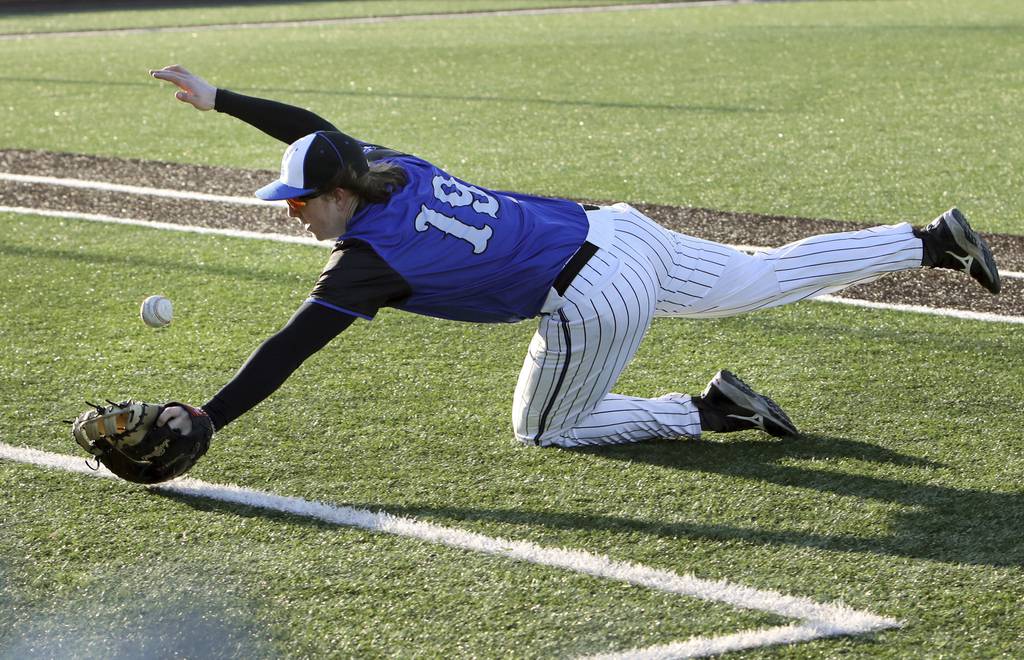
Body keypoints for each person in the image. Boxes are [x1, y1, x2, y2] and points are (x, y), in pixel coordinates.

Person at [150, 65, 1000, 451]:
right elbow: (307, 127)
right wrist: (219, 99)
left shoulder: (366, 262)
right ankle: (929, 241)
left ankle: (710, 413)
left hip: (591, 296)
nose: (292, 212)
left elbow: (286, 350)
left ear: (335, 196)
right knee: (762, 276)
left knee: (545, 430)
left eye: (298, 201)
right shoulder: (389, 169)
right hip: (618, 230)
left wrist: (209, 419)